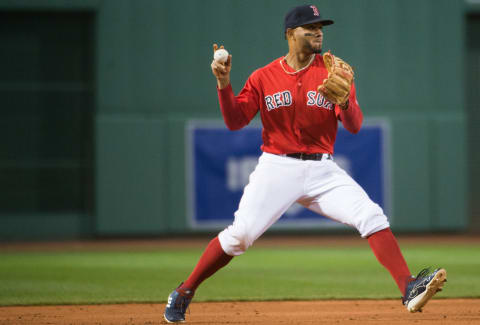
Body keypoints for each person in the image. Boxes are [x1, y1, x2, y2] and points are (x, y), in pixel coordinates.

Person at [164, 4, 447, 323]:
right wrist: (224, 84)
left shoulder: (335, 72)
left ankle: (408, 287)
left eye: (320, 27)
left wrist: (345, 101)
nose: (317, 32)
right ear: (289, 34)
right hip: (277, 166)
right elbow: (234, 120)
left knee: (370, 215)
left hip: (322, 169)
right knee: (239, 236)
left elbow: (353, 125)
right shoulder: (263, 77)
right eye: (309, 27)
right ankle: (185, 291)